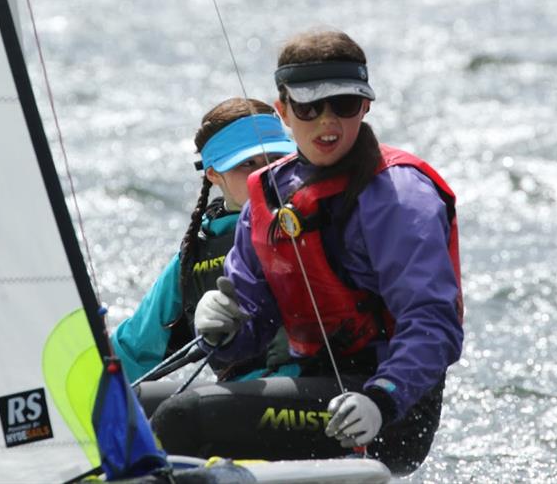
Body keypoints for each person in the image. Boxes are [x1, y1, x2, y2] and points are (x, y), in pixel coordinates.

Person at [150, 30, 464, 476]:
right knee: (132, 408)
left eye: (344, 105)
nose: (327, 122)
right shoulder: (269, 194)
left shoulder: (403, 197)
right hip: (311, 384)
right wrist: (222, 327)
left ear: (367, 106)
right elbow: (251, 331)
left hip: (387, 410)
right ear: (282, 111)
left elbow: (434, 323)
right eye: (309, 107)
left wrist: (381, 398)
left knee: (183, 419)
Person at [110, 97, 296, 384]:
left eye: (275, 159)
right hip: (248, 402)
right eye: (247, 164)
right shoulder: (193, 256)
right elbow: (134, 350)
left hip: (323, 386)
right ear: (213, 174)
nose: (264, 174)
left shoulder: (315, 221)